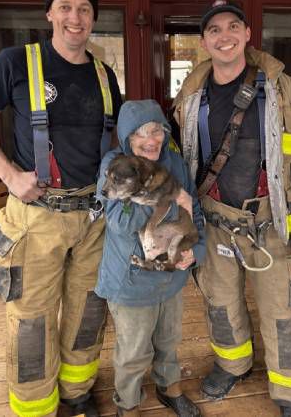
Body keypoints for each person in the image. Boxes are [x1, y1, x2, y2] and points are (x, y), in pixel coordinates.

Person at [0, 0, 122, 417]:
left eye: (85, 9)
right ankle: (36, 408)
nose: (76, 17)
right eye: (66, 7)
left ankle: (76, 392)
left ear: (94, 17)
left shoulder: (104, 75)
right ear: (50, 13)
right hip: (36, 218)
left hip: (92, 218)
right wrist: (11, 175)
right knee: (32, 320)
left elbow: (111, 143)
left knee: (89, 310)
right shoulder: (15, 62)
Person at [171, 0, 291, 416]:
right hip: (214, 220)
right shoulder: (190, 94)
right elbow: (177, 156)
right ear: (204, 41)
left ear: (247, 34)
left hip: (273, 222)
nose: (224, 36)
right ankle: (233, 364)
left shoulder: (282, 88)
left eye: (232, 27)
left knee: (283, 309)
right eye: (214, 31)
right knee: (220, 302)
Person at [94, 100, 207, 417]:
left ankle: (169, 388)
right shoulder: (115, 167)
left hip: (170, 276)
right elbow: (120, 224)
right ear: (128, 138)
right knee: (133, 352)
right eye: (142, 133)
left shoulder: (175, 162)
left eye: (157, 130)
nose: (151, 139)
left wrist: (194, 253)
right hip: (132, 282)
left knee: (169, 341)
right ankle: (127, 406)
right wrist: (161, 189)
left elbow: (193, 208)